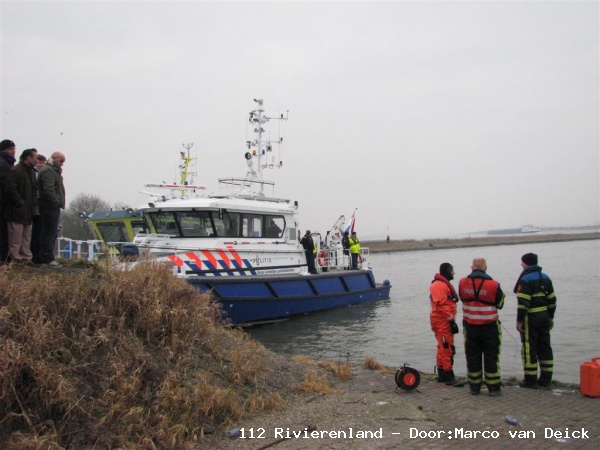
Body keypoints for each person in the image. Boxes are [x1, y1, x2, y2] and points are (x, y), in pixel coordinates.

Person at [458, 258, 505, 396]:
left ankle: (474, 387)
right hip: (489, 326)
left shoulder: (462, 282)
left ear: (472, 267)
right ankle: (494, 388)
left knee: (472, 356)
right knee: (492, 356)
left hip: (470, 326)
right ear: (485, 268)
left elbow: (462, 298)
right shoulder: (494, 284)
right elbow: (500, 304)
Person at [514, 253, 557, 389]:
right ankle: (546, 379)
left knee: (529, 347)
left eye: (522, 262)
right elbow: (552, 300)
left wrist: (519, 321)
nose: (521, 265)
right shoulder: (545, 277)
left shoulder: (525, 279)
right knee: (545, 346)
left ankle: (530, 380)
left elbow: (523, 304)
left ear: (526, 263)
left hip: (531, 316)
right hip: (544, 316)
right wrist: (550, 317)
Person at [429, 262, 464, 387]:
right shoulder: (439, 285)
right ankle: (449, 376)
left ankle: (442, 375)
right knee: (446, 348)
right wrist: (450, 318)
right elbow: (440, 304)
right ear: (447, 272)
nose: (453, 273)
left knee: (442, 347)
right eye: (452, 270)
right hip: (442, 321)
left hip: (442, 321)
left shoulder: (442, 284)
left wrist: (450, 319)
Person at [3, 149, 39, 265]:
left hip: (28, 210)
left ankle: (26, 258)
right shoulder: (16, 170)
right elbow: (10, 189)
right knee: (16, 237)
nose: (37, 160)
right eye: (35, 157)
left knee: (26, 237)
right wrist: (20, 202)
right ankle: (16, 258)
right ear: (28, 157)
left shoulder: (31, 172)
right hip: (16, 211)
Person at [38, 151, 66, 268]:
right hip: (49, 206)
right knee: (49, 233)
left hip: (50, 206)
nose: (62, 164)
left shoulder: (53, 170)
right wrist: (56, 202)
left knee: (49, 233)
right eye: (61, 161)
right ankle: (47, 258)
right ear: (54, 158)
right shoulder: (49, 171)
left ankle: (45, 257)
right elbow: (48, 189)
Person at [0, 139, 17, 263]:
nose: (13, 151)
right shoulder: (3, 164)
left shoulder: (9, 163)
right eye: (11, 149)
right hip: (4, 201)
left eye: (14, 149)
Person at [30, 154, 46, 264]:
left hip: (41, 206)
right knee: (34, 231)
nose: (41, 165)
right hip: (34, 205)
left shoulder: (44, 174)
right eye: (39, 162)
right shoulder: (33, 173)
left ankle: (38, 255)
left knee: (40, 231)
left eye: (43, 162)